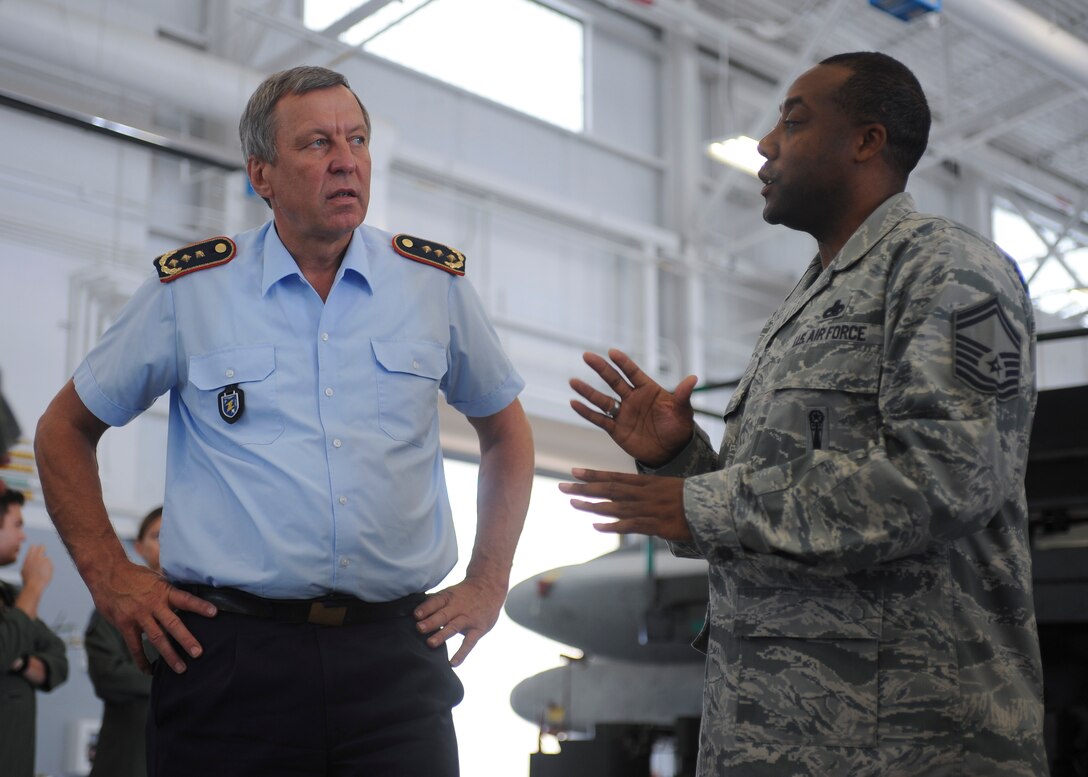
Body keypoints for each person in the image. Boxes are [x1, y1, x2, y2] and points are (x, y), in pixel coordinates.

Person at [34, 65, 534, 777]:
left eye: (356, 140)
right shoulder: (193, 291)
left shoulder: (431, 287)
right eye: (317, 143)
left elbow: (507, 432)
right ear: (261, 174)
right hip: (233, 662)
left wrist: (489, 579)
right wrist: (111, 575)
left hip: (394, 662)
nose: (346, 159)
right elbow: (64, 429)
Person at [562, 52, 1047, 776]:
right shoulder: (809, 300)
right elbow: (767, 528)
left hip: (906, 740)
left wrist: (702, 500)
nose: (765, 144)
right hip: (773, 737)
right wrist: (679, 460)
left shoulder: (947, 269)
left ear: (867, 141)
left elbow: (950, 479)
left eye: (792, 120)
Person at [84, 506, 162, 777]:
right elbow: (107, 674)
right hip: (126, 756)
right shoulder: (118, 606)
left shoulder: (207, 608)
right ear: (140, 547)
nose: (168, 543)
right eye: (158, 535)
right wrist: (174, 684)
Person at [0, 489, 70, 777]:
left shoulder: (8, 595)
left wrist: (22, 662)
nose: (23, 537)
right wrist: (34, 587)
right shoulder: (23, 596)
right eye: (17, 525)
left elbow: (57, 658)